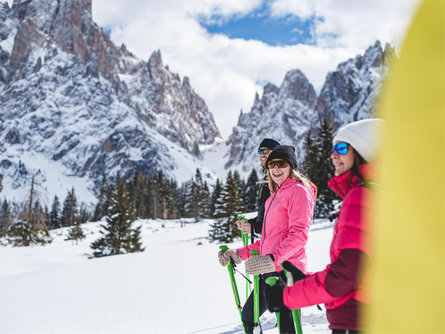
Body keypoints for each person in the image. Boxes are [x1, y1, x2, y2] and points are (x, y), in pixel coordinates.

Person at [264, 119, 384, 334]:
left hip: (355, 318)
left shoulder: (360, 196)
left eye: (342, 148)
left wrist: (288, 296)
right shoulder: (382, 193)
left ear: (365, 150)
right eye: (332, 149)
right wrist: (306, 280)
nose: (333, 155)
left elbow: (348, 274)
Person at [219, 145, 317, 333]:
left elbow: (299, 235)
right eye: (272, 164)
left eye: (281, 163)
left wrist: (273, 259)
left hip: (287, 271)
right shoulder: (274, 196)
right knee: (248, 316)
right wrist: (238, 254)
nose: (276, 169)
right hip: (269, 269)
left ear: (291, 167)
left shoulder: (298, 191)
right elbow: (266, 240)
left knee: (286, 326)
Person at [236, 138, 280, 239]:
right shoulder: (266, 181)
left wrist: (254, 227)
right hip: (269, 242)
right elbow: (264, 216)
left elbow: (280, 220)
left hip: (281, 247)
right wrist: (248, 224)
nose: (261, 154)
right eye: (260, 151)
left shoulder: (280, 180)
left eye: (265, 151)